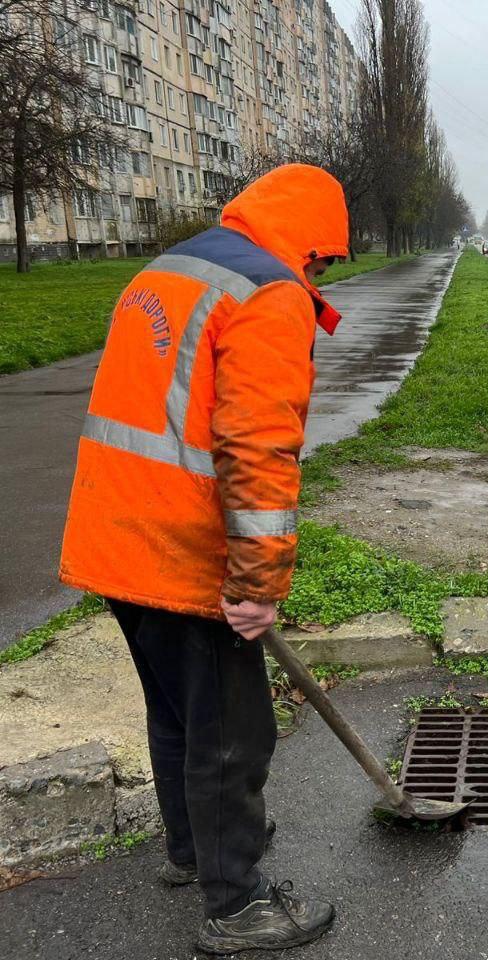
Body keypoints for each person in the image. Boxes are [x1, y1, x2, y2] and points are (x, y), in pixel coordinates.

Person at [59, 163, 348, 955]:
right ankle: (237, 905)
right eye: (323, 259)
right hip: (182, 550)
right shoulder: (268, 293)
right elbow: (257, 449)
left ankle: (195, 850)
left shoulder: (172, 269)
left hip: (114, 535)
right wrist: (257, 583)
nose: (317, 272)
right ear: (310, 241)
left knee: (177, 716)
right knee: (233, 733)